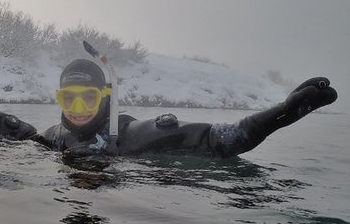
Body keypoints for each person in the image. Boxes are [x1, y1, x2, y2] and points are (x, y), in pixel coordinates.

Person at [37, 57, 338, 157]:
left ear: (104, 97)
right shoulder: (54, 137)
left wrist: (276, 117)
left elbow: (210, 138)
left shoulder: (129, 135)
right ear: (59, 99)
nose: (77, 108)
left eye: (87, 97)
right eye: (68, 98)